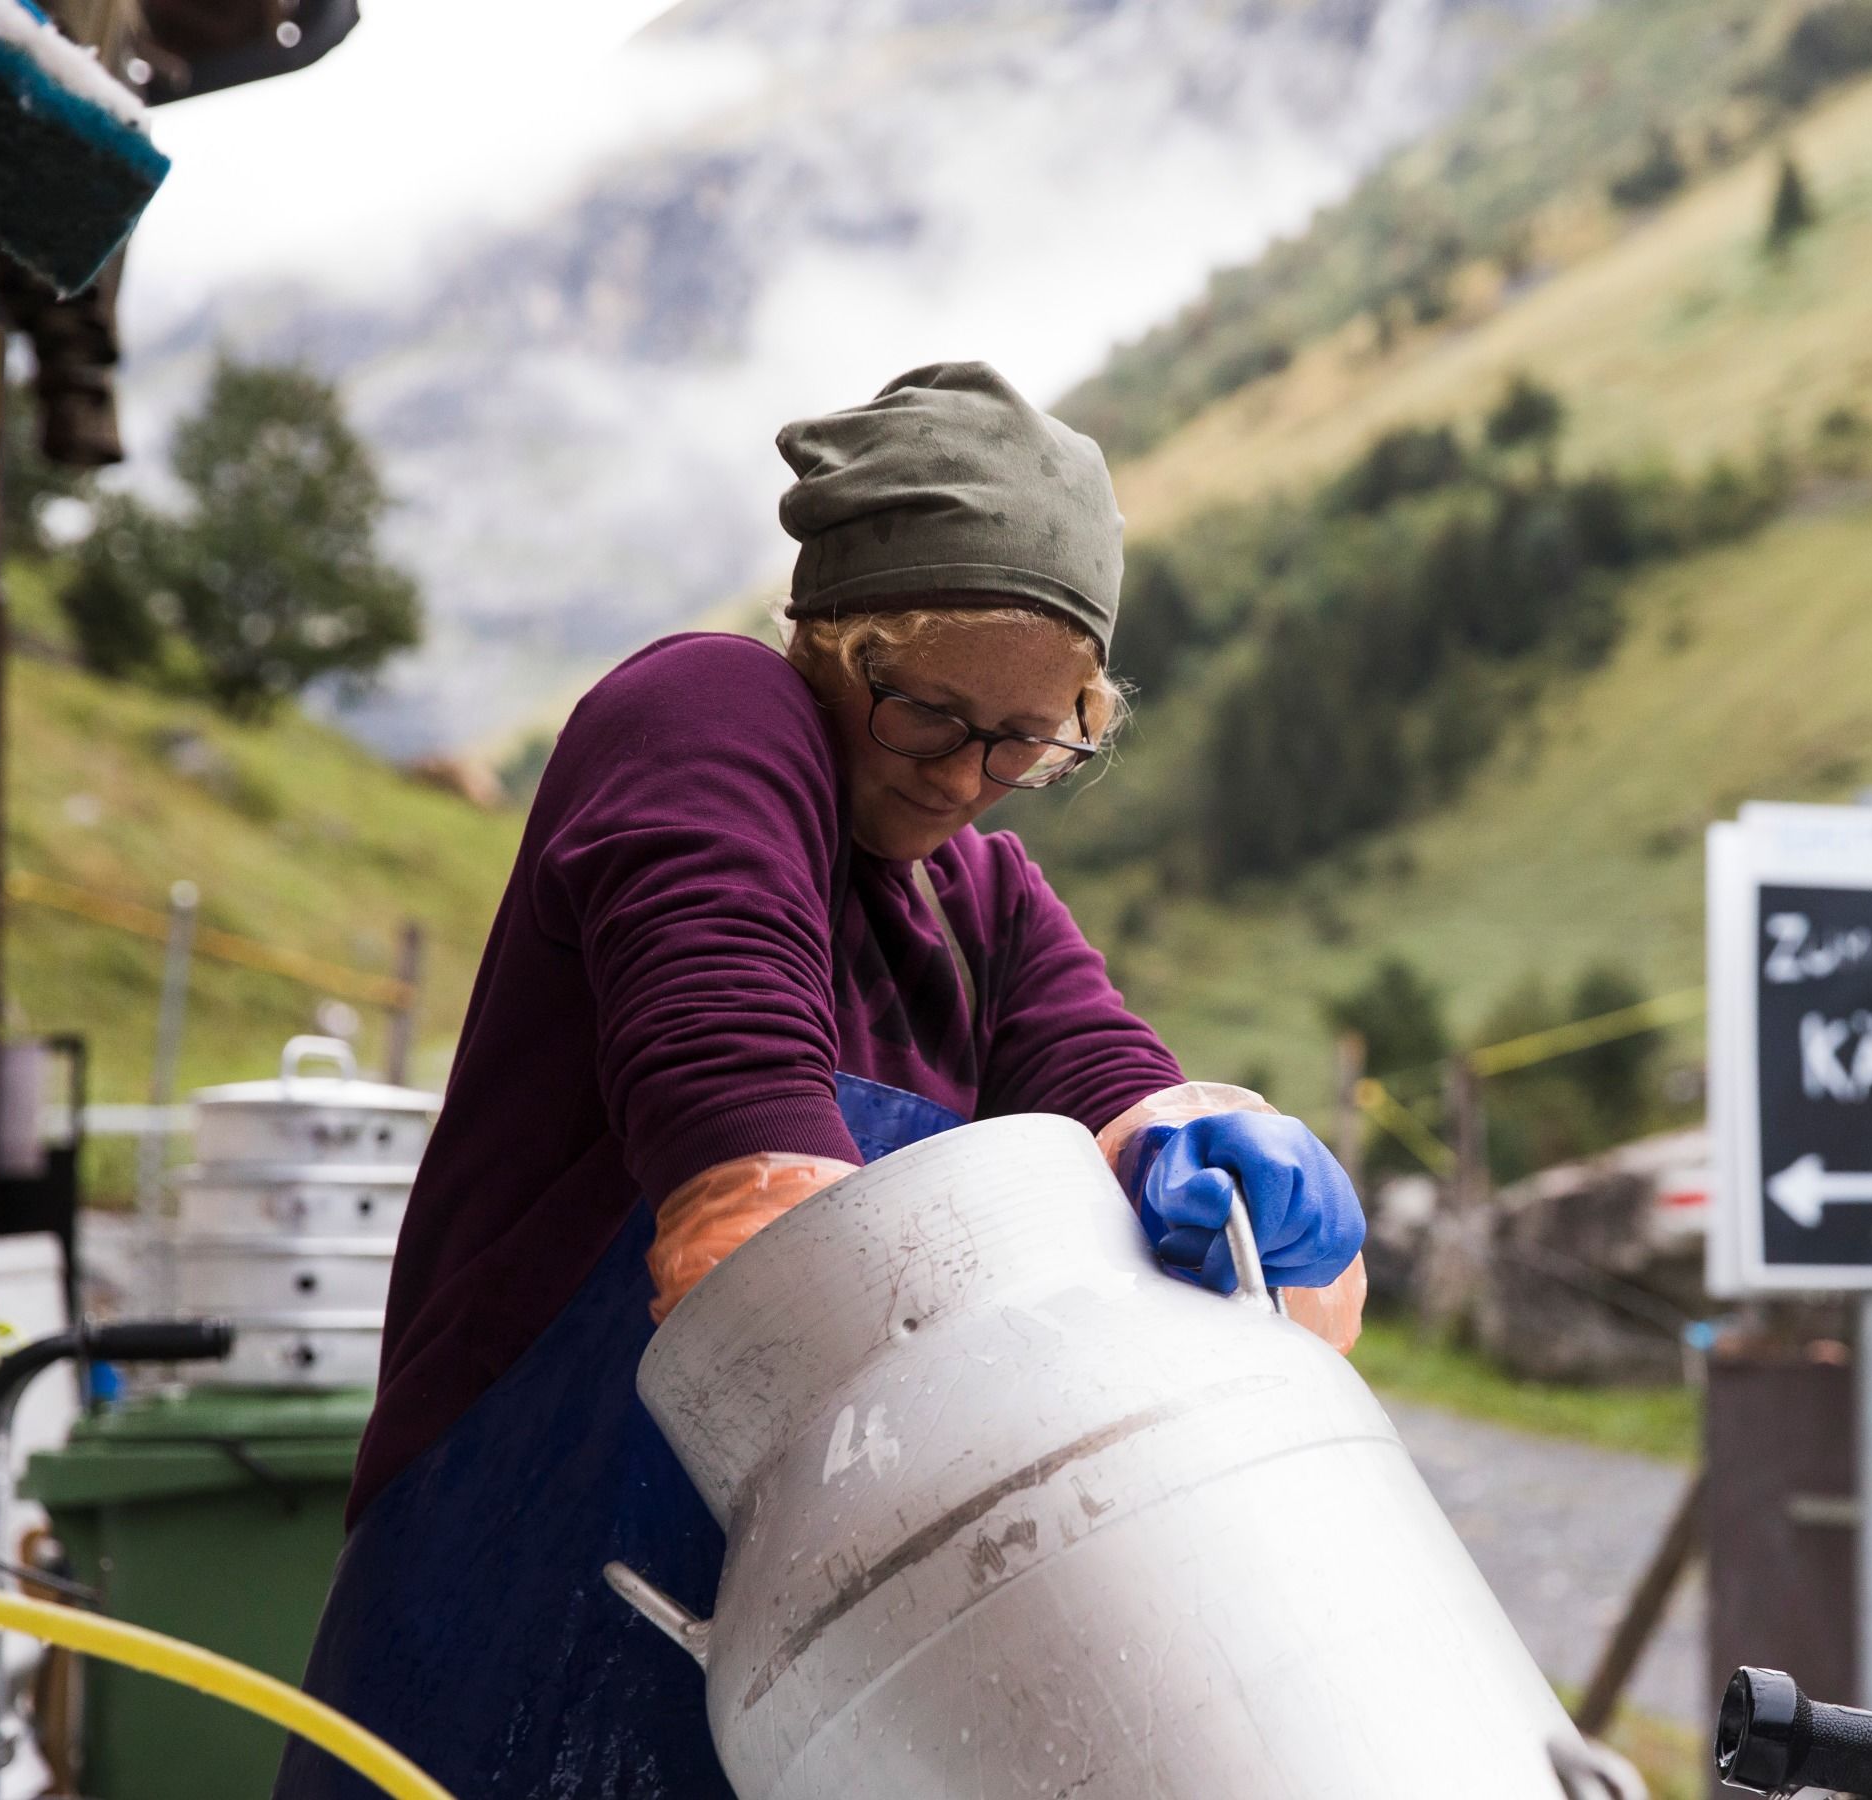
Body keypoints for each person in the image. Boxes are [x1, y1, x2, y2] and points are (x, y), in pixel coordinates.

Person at [275, 363, 1368, 1800]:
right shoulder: (706, 713)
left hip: (794, 1652)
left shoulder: (978, 900)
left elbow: (1106, 1075)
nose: (969, 778)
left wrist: (1213, 1151)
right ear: (832, 640)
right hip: (513, 1585)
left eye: (1031, 739)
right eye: (931, 716)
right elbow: (736, 1112)